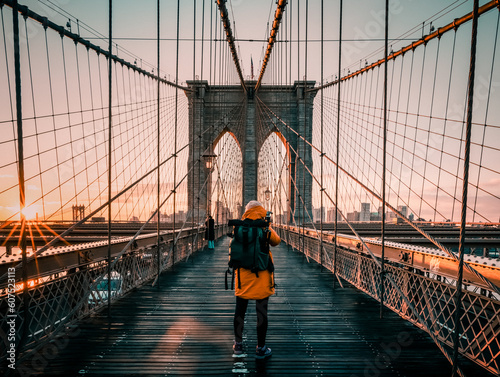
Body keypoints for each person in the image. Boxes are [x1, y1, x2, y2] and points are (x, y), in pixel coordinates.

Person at [232, 200, 280, 359]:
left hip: (243, 278)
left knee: (240, 312)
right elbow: (277, 241)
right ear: (261, 210)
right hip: (262, 276)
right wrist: (268, 226)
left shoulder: (239, 226)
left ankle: (238, 346)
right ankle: (261, 348)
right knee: (261, 313)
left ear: (246, 211)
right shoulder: (265, 227)